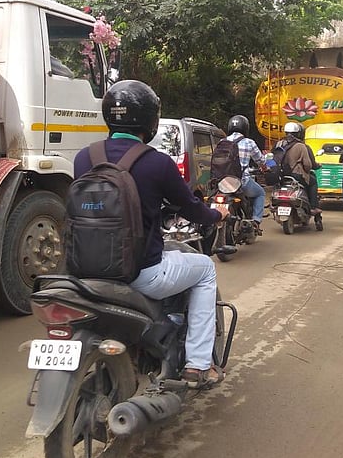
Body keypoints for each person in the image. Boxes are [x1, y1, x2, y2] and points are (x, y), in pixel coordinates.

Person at [74, 80, 229, 389]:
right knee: (205, 270)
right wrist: (217, 214)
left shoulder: (83, 158)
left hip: (85, 271)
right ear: (150, 121)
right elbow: (190, 207)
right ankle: (198, 365)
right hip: (141, 273)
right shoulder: (157, 162)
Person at [224, 114, 267, 229]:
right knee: (261, 193)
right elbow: (260, 160)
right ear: (245, 128)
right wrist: (265, 167)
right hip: (241, 182)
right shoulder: (249, 142)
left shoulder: (223, 141)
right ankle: (256, 221)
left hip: (223, 183)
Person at [281, 122, 322, 214]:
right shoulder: (301, 146)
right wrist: (307, 171)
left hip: (281, 176)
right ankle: (313, 207)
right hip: (296, 175)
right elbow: (308, 165)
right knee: (313, 182)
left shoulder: (280, 144)